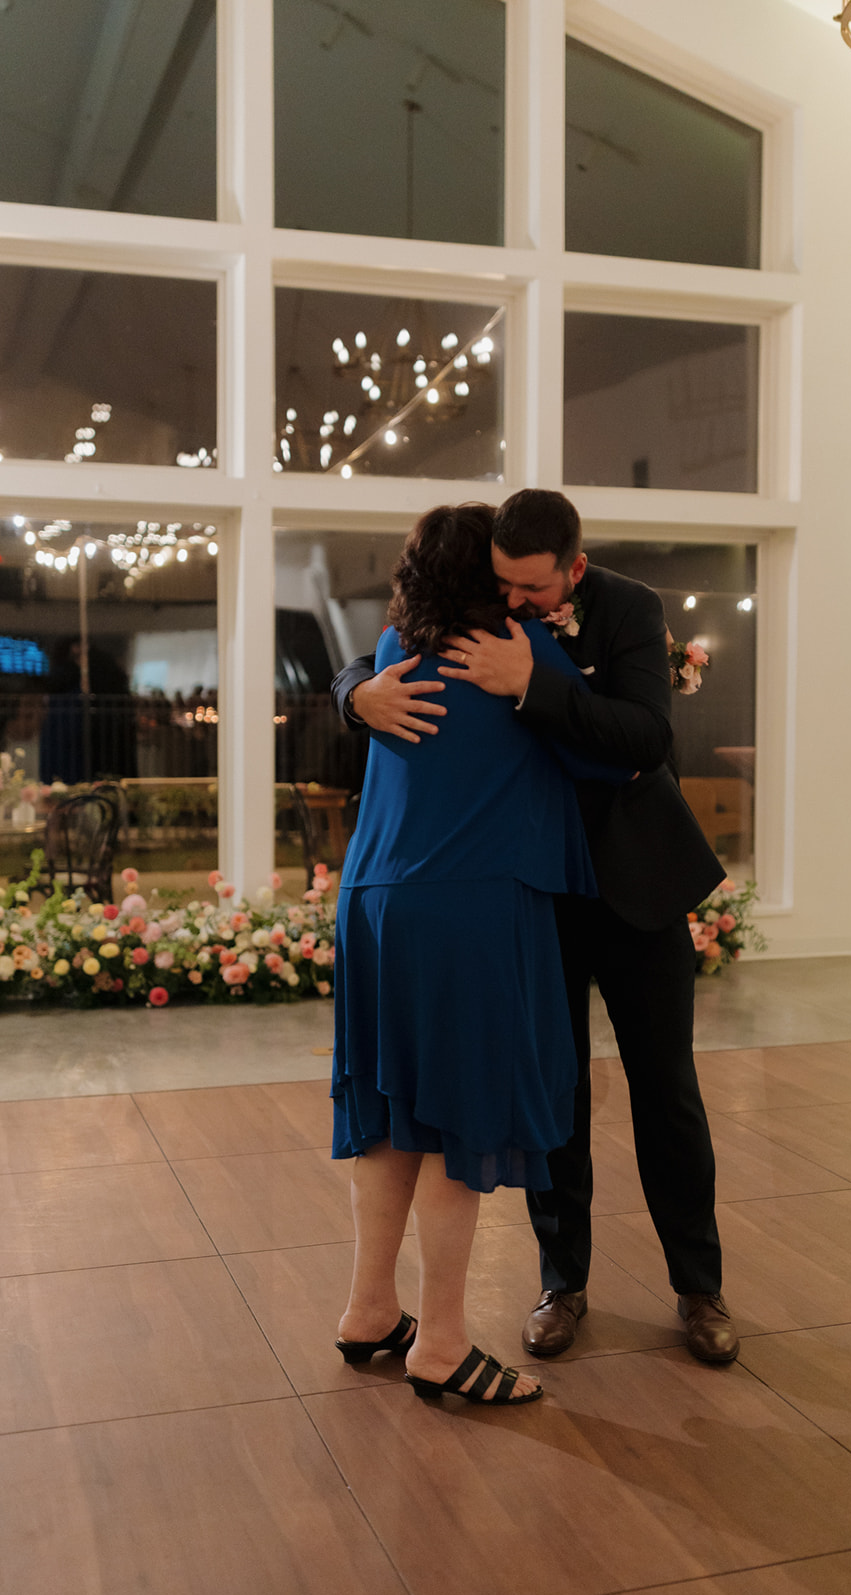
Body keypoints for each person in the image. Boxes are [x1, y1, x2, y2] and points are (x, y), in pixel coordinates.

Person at [332, 489, 738, 1365]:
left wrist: (535, 686)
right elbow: (387, 658)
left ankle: (699, 1288)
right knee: (555, 1101)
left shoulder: (629, 609)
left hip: (630, 882)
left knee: (665, 1090)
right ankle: (564, 1283)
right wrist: (352, 692)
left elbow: (646, 740)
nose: (513, 602)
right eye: (499, 585)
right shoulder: (476, 624)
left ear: (572, 570)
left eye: (528, 588)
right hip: (531, 894)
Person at [330, 502, 629, 1407]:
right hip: (467, 908)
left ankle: (370, 1311)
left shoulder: (390, 653)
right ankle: (444, 1344)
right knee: (462, 1126)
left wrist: (350, 690)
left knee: (392, 1118)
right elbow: (609, 761)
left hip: (375, 903)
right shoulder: (513, 655)